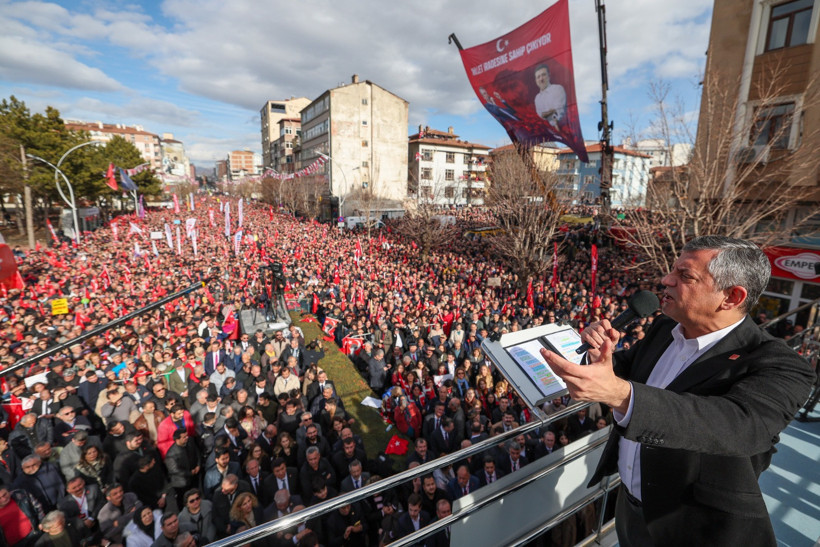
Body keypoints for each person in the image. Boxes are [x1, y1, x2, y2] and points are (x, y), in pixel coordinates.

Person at [539, 235, 815, 546]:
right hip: (629, 510)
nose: (665, 280)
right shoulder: (663, 329)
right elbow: (622, 371)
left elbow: (738, 426)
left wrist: (621, 395)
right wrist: (599, 357)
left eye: (685, 275)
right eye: (673, 269)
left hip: (700, 531)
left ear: (732, 297)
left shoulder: (780, 365)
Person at [533, 64, 566, 130]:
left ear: (549, 76)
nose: (541, 79)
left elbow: (559, 110)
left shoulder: (558, 89)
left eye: (543, 75)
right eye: (538, 77)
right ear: (536, 81)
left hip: (563, 129)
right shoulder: (537, 99)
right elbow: (541, 116)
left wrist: (546, 114)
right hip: (547, 132)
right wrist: (552, 111)